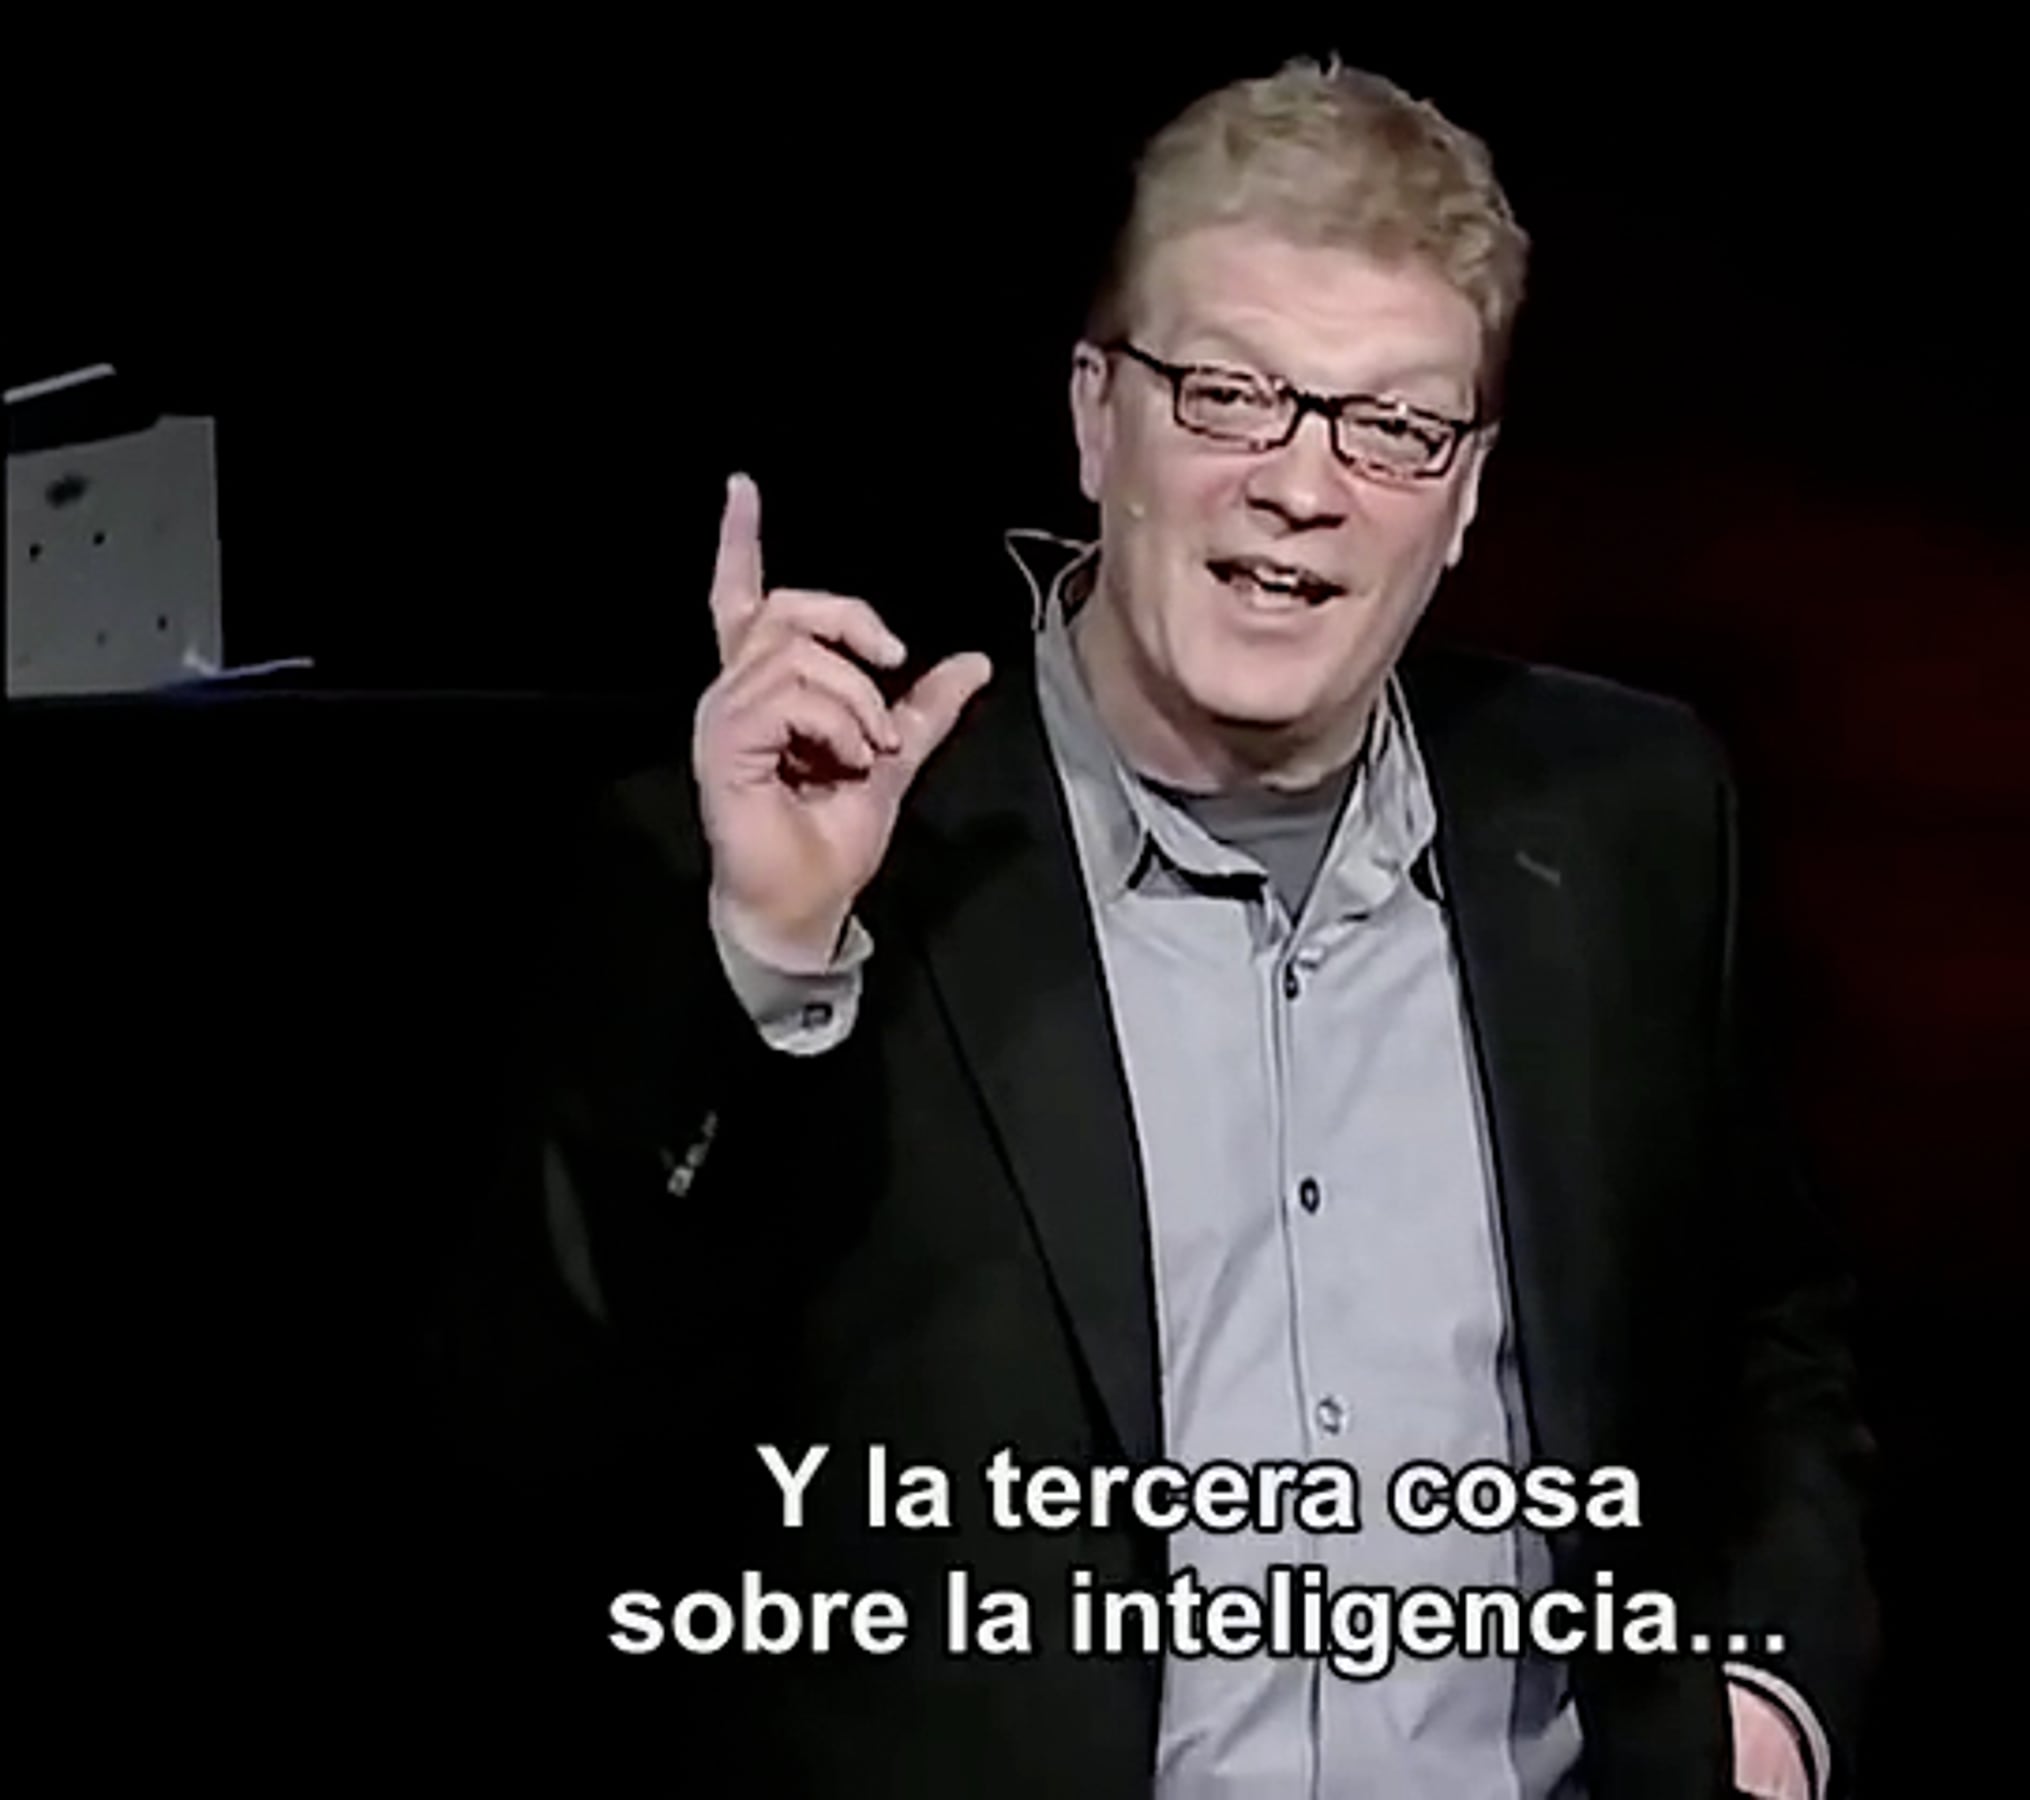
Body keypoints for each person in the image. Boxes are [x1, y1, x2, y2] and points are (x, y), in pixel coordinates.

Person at [465, 55, 1874, 1800]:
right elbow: (549, 1445)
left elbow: (1771, 1324)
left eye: (1393, 428)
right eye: (1229, 395)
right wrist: (766, 967)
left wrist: (1771, 1702)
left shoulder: (1627, 817)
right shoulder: (826, 854)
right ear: (1095, 419)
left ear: (1466, 495)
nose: (1303, 485)